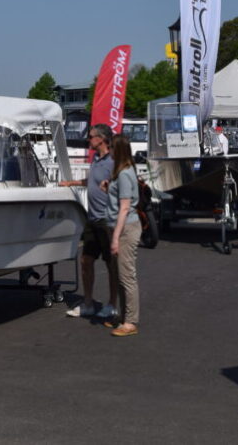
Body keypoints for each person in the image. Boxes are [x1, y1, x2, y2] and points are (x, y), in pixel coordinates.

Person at [59, 123, 119, 320]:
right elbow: (91, 181)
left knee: (111, 264)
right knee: (86, 260)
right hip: (92, 218)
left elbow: (120, 185)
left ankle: (112, 304)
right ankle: (88, 303)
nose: (88, 140)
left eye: (91, 137)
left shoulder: (113, 161)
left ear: (101, 139)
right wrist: (71, 183)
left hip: (107, 220)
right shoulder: (96, 159)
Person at [103, 134, 142, 337]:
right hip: (120, 226)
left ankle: (131, 321)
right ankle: (124, 316)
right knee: (119, 274)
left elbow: (125, 207)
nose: (108, 150)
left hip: (126, 228)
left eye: (110, 147)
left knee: (126, 276)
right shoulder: (120, 172)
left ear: (116, 149)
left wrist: (116, 237)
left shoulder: (125, 173)